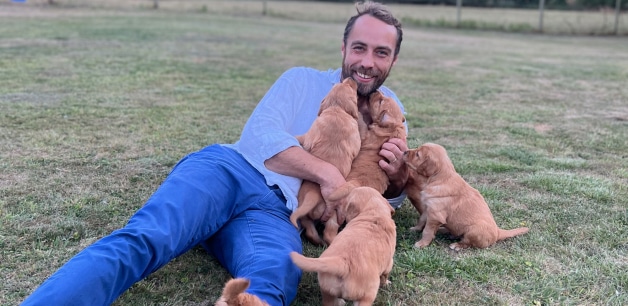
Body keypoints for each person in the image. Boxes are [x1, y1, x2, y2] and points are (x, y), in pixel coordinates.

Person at [21, 1, 408, 305]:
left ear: (392, 60)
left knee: (275, 279)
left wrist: (396, 180)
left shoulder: (391, 110)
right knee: (148, 238)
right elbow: (260, 138)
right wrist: (328, 175)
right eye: (359, 48)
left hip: (277, 215)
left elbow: (387, 197)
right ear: (343, 47)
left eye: (380, 52)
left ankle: (220, 254)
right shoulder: (302, 80)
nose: (367, 62)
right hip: (231, 171)